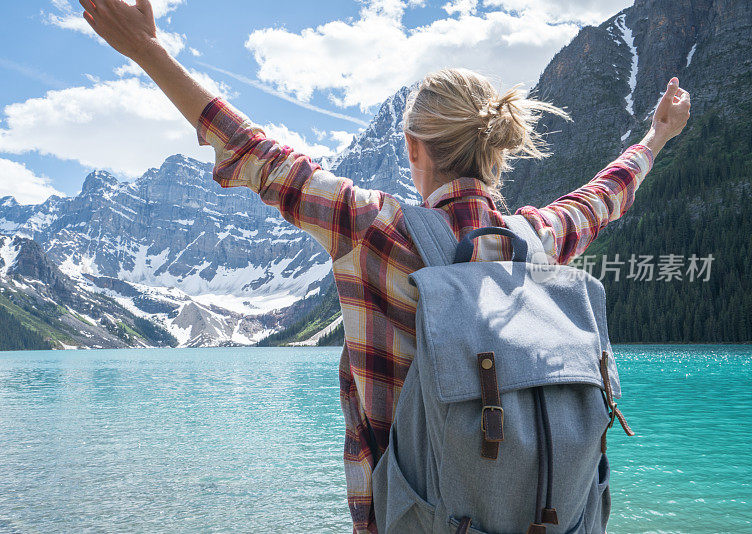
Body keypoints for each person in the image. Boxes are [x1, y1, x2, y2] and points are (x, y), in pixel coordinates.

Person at [79, 1, 691, 532]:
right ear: (496, 150)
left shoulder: (374, 229)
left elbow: (252, 152)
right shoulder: (537, 239)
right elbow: (603, 196)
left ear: (413, 149)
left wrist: (148, 51)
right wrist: (657, 138)